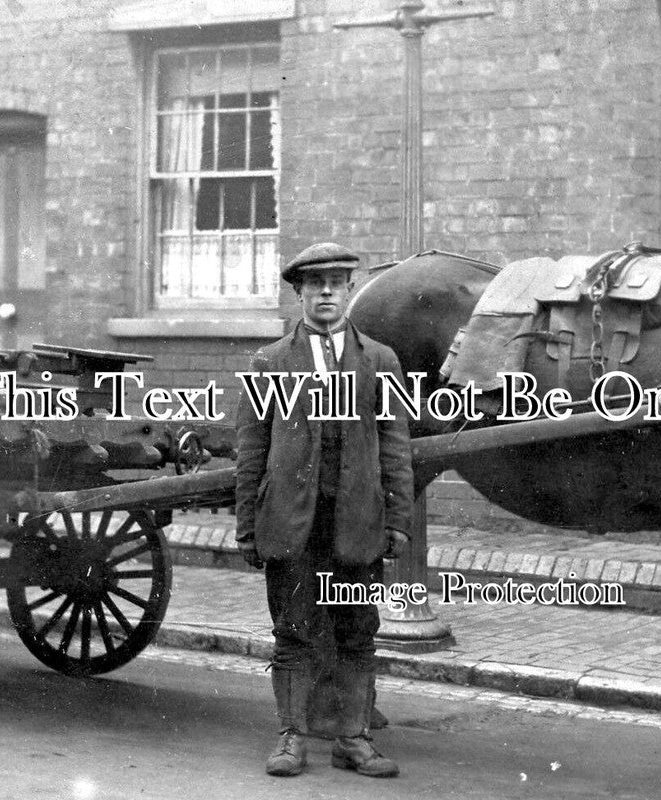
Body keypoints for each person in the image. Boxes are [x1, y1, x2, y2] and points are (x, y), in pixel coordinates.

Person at [234, 242, 414, 779]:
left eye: (337, 282)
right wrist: (248, 527)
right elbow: (251, 451)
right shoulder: (269, 362)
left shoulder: (381, 361)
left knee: (358, 628)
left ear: (350, 289)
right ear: (300, 293)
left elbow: (394, 446)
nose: (327, 292)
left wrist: (398, 520)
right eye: (316, 284)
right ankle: (291, 737)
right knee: (294, 629)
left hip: (356, 520)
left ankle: (353, 738)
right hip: (291, 521)